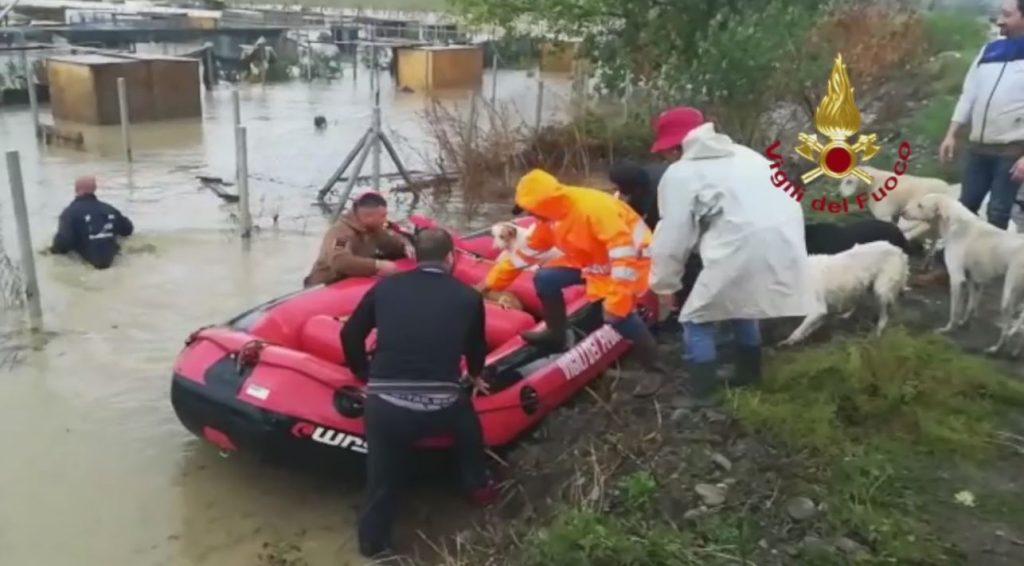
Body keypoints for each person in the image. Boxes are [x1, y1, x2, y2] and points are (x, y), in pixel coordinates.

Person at [341, 228, 498, 560]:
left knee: (381, 479)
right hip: (442, 406)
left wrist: (362, 373)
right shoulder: (468, 297)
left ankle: (374, 546)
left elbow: (350, 334)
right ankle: (478, 488)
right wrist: (475, 374)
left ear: (414, 256)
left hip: (386, 406)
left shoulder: (385, 288)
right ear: (450, 258)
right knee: (469, 426)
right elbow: (476, 349)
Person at [648, 106, 813, 407]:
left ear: (675, 146)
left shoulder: (681, 173)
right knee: (743, 304)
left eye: (666, 152)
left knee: (695, 317)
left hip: (742, 243)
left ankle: (704, 394)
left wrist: (665, 285)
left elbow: (673, 236)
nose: (666, 158)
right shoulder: (747, 155)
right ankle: (749, 375)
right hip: (785, 236)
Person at [478, 169, 668, 398]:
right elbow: (525, 254)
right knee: (545, 278)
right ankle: (555, 333)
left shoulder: (593, 210)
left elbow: (623, 256)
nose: (531, 215)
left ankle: (655, 369)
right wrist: (489, 284)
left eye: (532, 210)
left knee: (620, 315)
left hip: (633, 262)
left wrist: (617, 300)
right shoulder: (550, 219)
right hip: (594, 262)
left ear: (545, 204)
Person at [939, 0, 1024, 231]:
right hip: (978, 147)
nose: (999, 21)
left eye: (1007, 15)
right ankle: (956, 261)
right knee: (965, 207)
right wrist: (951, 134)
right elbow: (969, 95)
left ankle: (995, 266)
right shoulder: (990, 51)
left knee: (998, 211)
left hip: (1011, 150)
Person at [608, 160, 704, 324]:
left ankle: (686, 313)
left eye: (620, 188)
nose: (618, 191)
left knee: (684, 263)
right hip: (667, 212)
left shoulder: (658, 192)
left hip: (687, 217)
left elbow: (663, 227)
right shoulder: (635, 182)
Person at [303, 191, 408, 287]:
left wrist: (406, 245)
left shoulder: (374, 229)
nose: (385, 220)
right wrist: (377, 266)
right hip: (325, 286)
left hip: (352, 282)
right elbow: (340, 261)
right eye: (383, 216)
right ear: (368, 217)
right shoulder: (340, 234)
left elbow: (392, 245)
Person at [50, 176, 134, 270]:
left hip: (87, 265)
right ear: (95, 189)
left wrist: (51, 250)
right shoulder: (110, 210)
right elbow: (128, 230)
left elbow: (63, 243)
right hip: (114, 262)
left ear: (76, 189)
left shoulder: (69, 213)